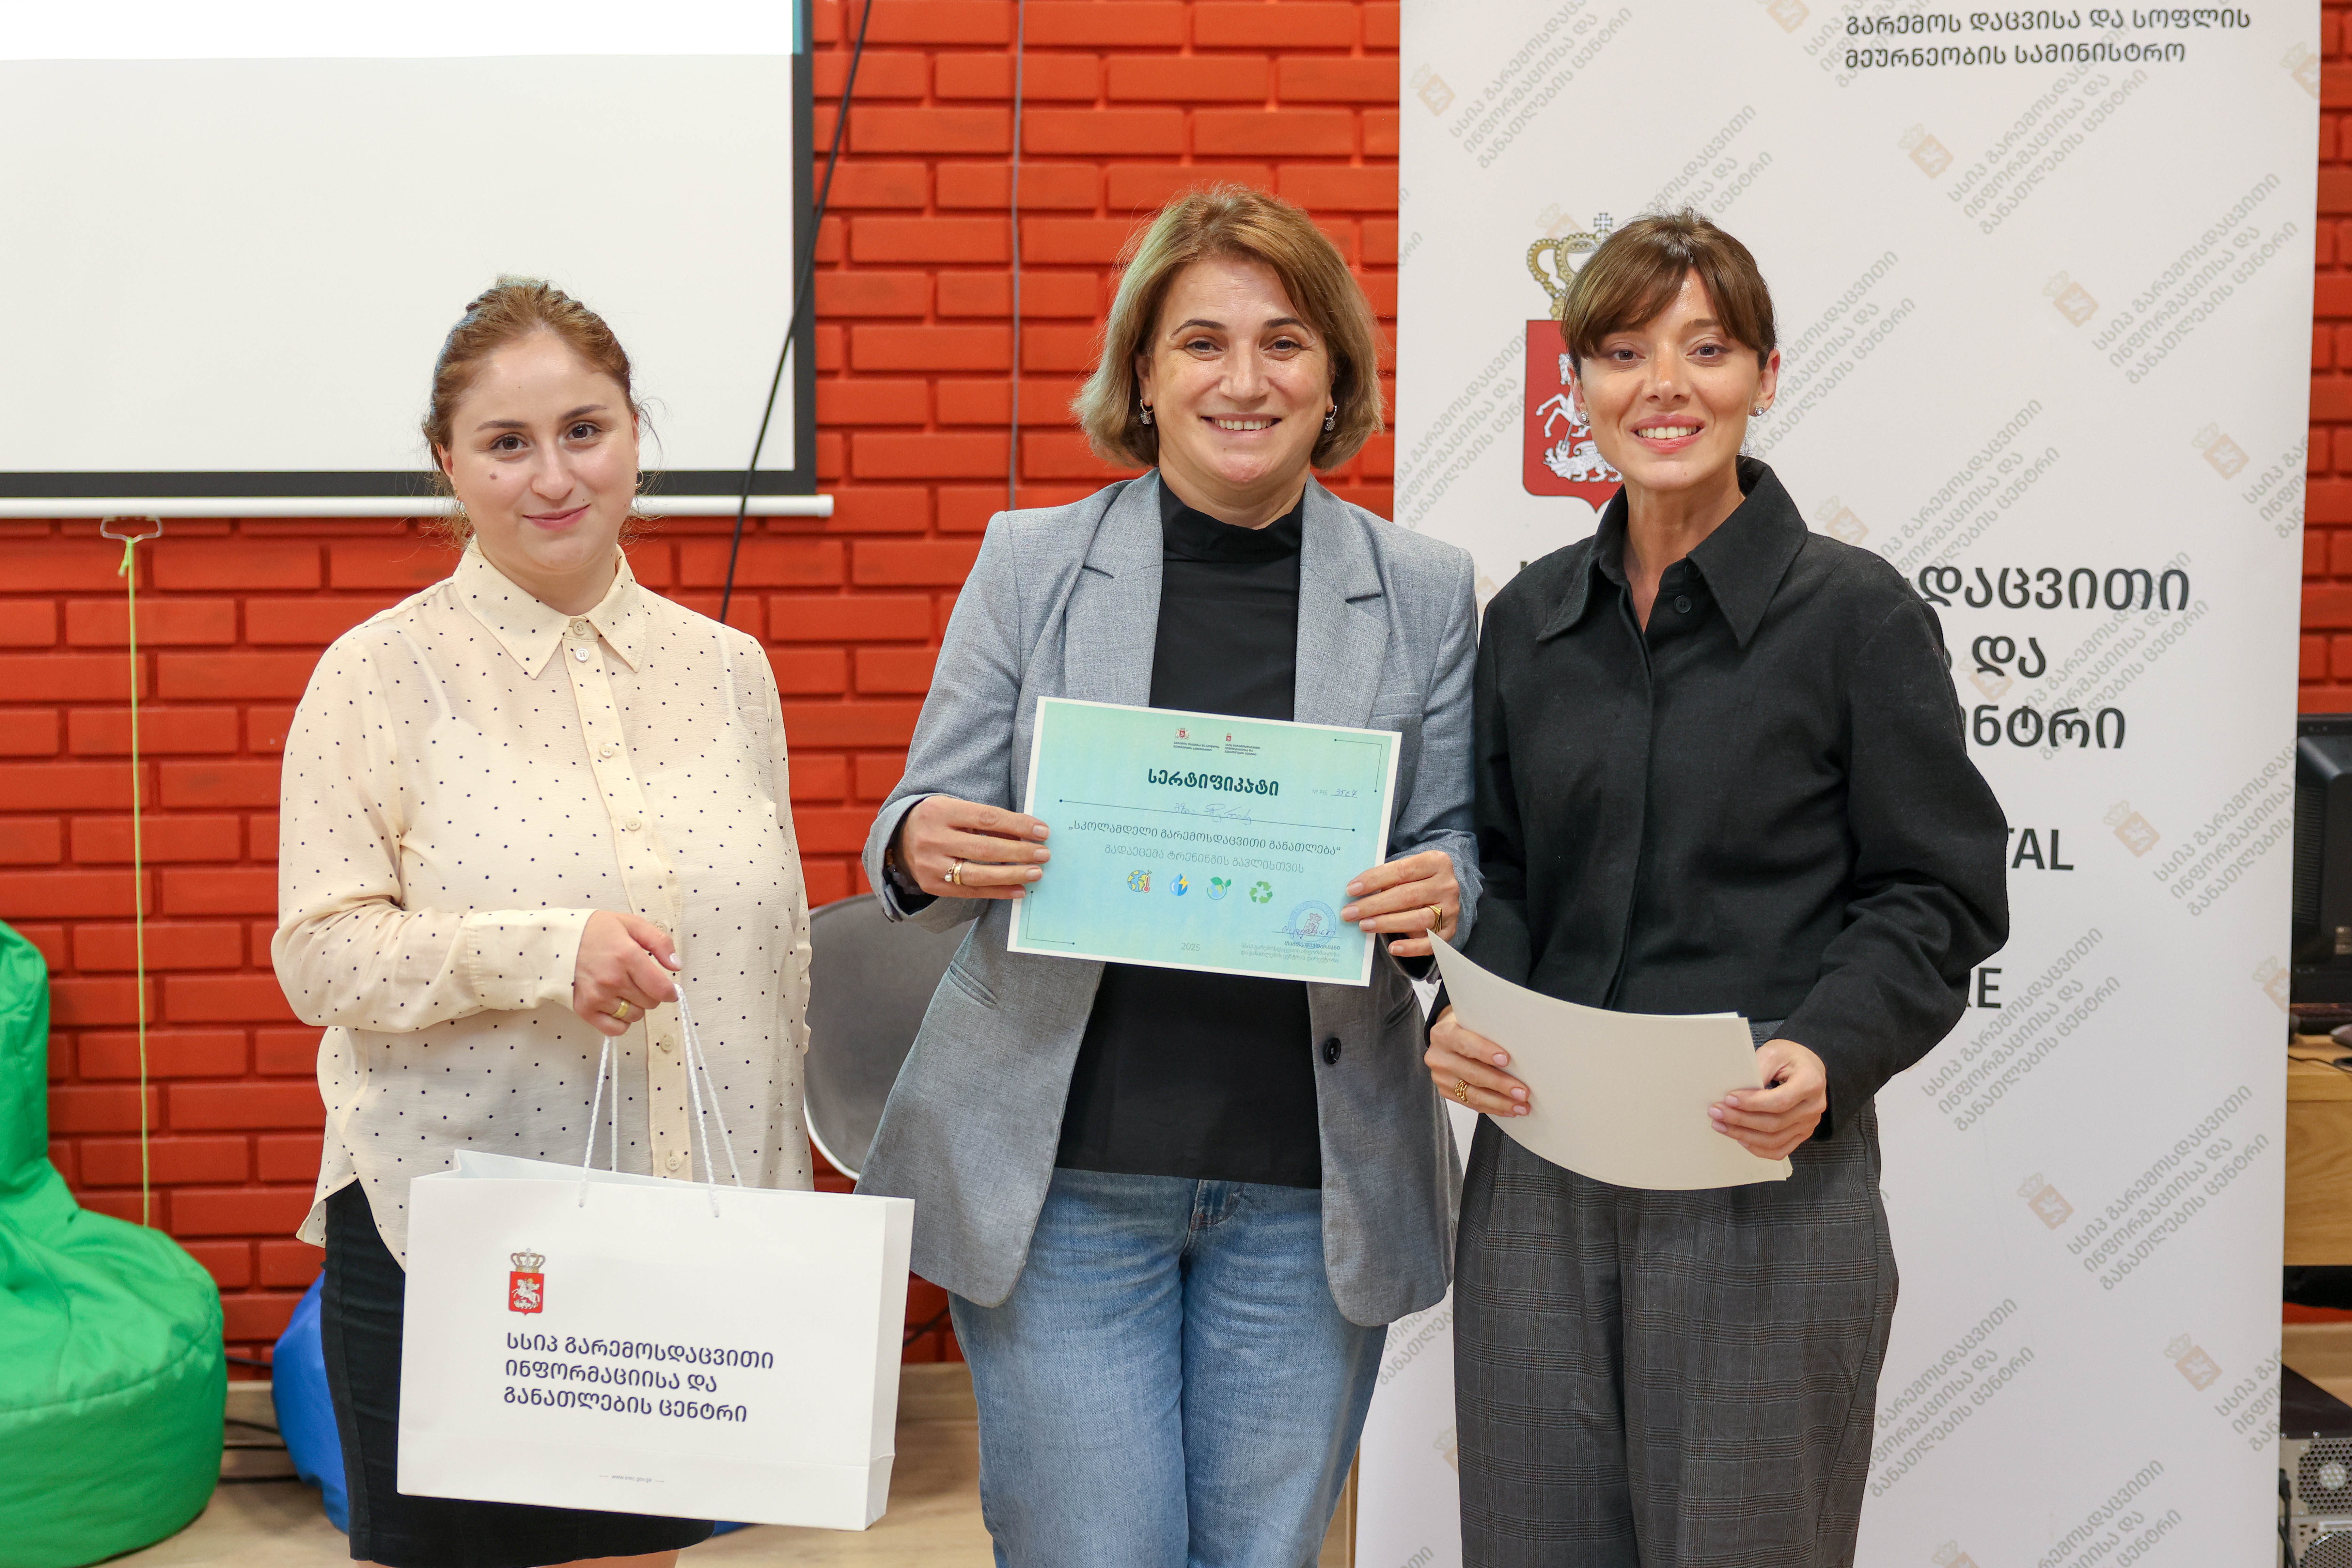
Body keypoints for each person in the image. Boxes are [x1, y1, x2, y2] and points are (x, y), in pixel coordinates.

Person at [857, 186, 1480, 1567]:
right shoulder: (1031, 561)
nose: (1242, 380)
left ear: (1335, 380)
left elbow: (1455, 837)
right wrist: (920, 841)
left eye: (1283, 343)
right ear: (1141, 375)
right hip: (1061, 1175)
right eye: (1201, 342)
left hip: (1308, 1182)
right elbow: (908, 815)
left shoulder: (1424, 588)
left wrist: (1443, 888)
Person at [1423, 212, 2007, 1567]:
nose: (1663, 385)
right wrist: (1458, 1009)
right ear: (1576, 384)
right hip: (1538, 1171)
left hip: (1759, 1166)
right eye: (1623, 352)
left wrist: (1829, 1048)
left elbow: (1934, 891)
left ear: (1764, 376)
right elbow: (1499, 872)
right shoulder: (1527, 622)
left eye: (1707, 348)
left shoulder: (1853, 615)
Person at [272, 278, 814, 1568]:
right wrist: (543, 949)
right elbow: (320, 956)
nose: (554, 476)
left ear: (635, 436)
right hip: (460, 1245)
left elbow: (775, 963)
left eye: (585, 430)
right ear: (447, 462)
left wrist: (775, 1226)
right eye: (508, 443)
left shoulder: (729, 670)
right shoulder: (377, 673)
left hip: (678, 1249)